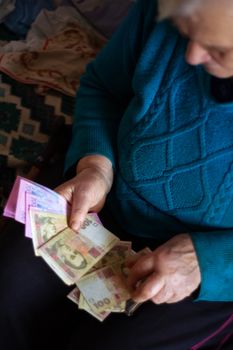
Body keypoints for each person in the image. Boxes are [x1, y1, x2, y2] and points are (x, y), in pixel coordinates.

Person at [1, 0, 233, 349]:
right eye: (184, 31)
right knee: (8, 288)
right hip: (107, 197)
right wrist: (95, 165)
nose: (191, 56)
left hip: (209, 262)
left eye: (219, 49)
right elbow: (104, 88)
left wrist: (209, 262)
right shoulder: (162, 10)